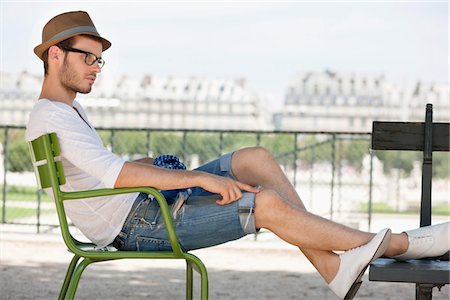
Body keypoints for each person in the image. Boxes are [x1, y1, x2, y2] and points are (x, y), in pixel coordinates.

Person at [25, 11, 449, 299]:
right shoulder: (53, 115)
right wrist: (199, 178)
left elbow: (104, 174)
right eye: (88, 57)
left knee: (255, 159)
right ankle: (399, 244)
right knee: (263, 203)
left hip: (142, 207)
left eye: (100, 60)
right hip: (138, 224)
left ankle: (332, 268)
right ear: (55, 54)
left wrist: (150, 165)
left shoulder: (66, 111)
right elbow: (113, 177)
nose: (97, 67)